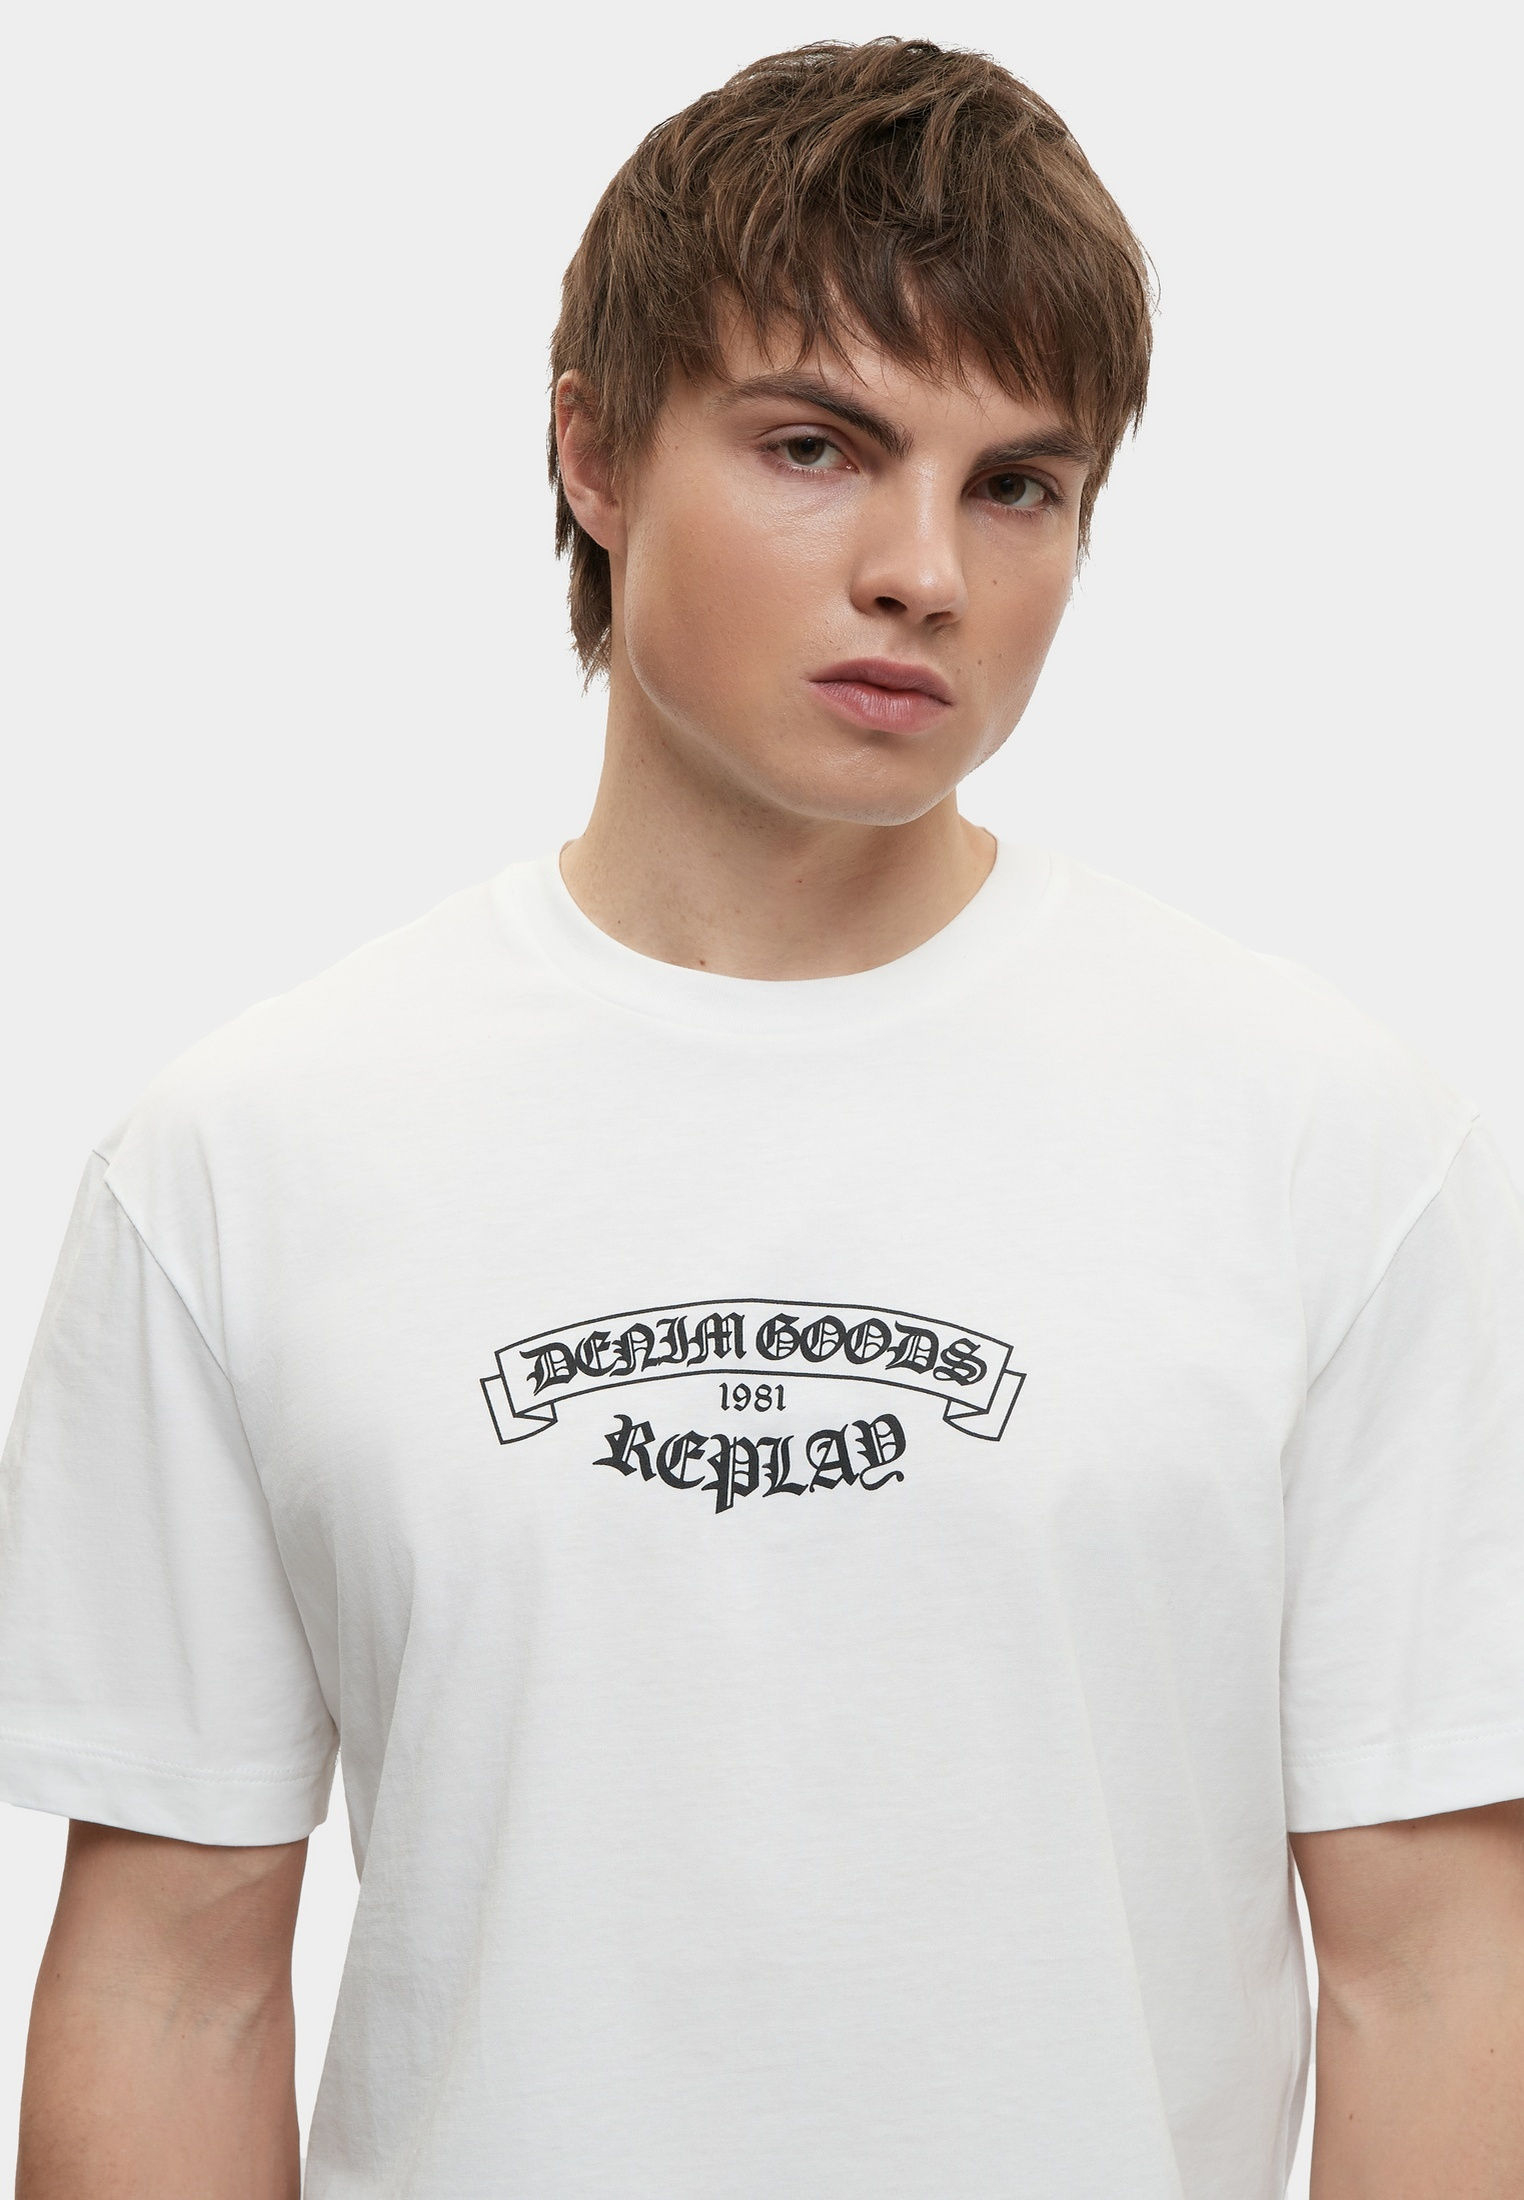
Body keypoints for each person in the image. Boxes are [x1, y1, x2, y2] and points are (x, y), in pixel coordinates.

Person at [2, 33, 1522, 2199]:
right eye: (820, 445)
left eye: (1019, 484)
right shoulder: (249, 1159)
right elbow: (177, 1983)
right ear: (594, 452)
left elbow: (1436, 1963)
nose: (924, 569)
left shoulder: (1327, 1142)